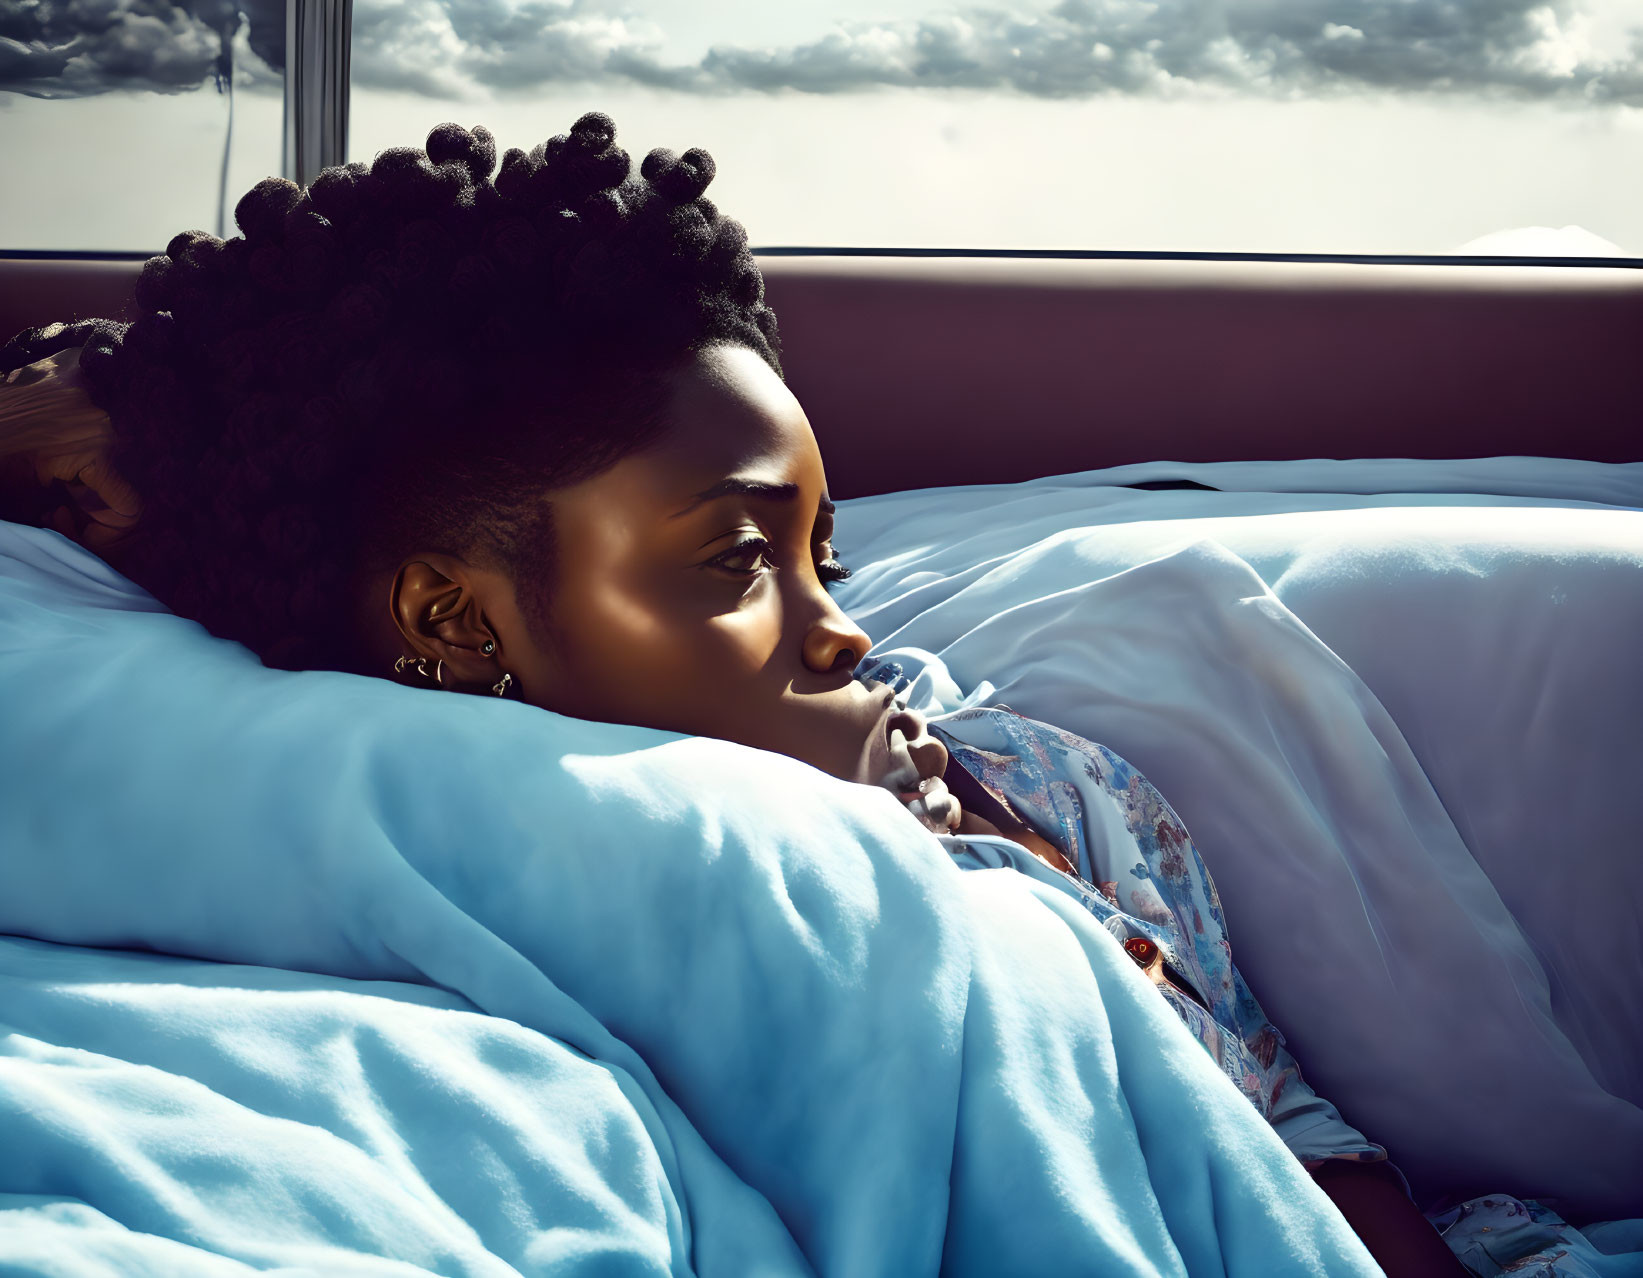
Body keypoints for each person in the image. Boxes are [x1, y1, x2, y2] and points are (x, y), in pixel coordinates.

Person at [1, 113, 1470, 1275]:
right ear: (453, 614)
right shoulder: (383, 878)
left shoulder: (1047, 785)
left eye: (825, 550)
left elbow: (1316, 1186)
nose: (846, 635)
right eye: (737, 560)